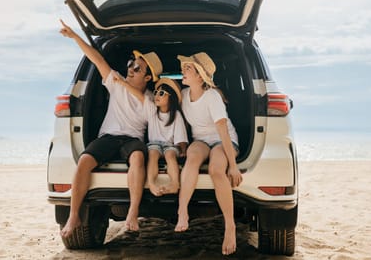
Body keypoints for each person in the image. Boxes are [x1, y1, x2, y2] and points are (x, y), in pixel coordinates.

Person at [58, 19, 163, 236]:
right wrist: (75, 36)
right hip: (108, 136)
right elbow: (96, 58)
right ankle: (74, 215)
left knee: (137, 157)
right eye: (130, 64)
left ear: (148, 77)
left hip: (132, 139)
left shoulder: (151, 99)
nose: (130, 69)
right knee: (84, 161)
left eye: (137, 67)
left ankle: (133, 211)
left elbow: (144, 103)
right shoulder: (116, 82)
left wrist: (122, 83)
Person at [174, 52, 243, 256]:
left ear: (200, 76)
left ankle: (230, 226)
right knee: (192, 159)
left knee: (215, 169)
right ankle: (182, 211)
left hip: (224, 140)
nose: (183, 71)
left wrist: (233, 165)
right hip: (201, 140)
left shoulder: (212, 97)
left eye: (188, 68)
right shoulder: (184, 96)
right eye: (184, 67)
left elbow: (223, 131)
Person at [113, 75, 188, 196]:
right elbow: (140, 96)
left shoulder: (176, 115)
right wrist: (123, 83)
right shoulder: (152, 110)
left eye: (162, 93)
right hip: (154, 144)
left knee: (170, 155)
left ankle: (175, 184)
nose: (156, 95)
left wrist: (183, 150)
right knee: (152, 154)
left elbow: (181, 136)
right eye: (156, 92)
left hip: (170, 145)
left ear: (171, 97)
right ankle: (151, 183)